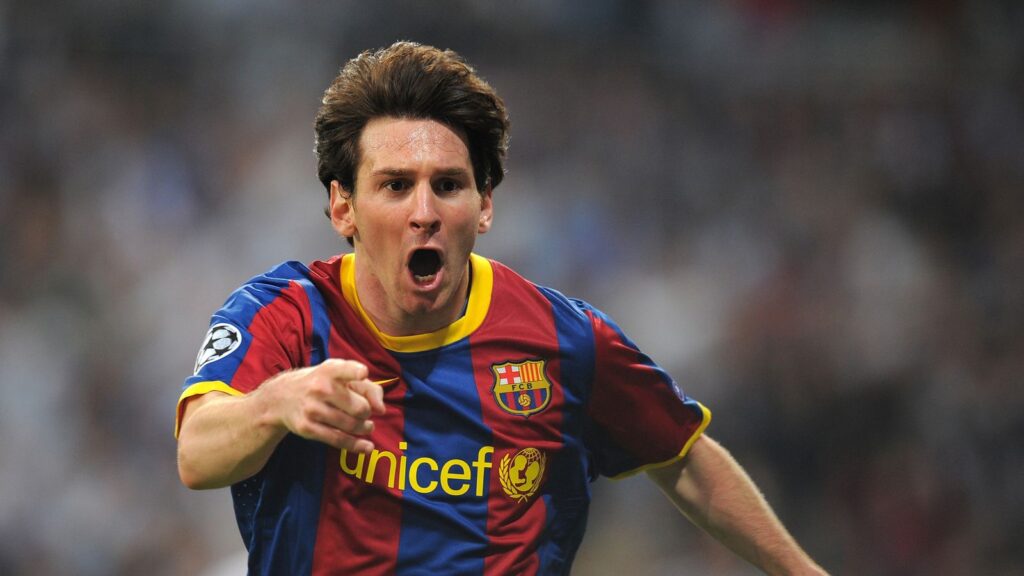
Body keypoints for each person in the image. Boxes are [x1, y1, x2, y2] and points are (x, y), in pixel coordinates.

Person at [176, 41, 827, 575]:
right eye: (395, 186)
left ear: (484, 205)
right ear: (342, 206)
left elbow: (685, 458)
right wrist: (276, 403)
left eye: (448, 185)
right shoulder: (286, 315)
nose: (424, 212)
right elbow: (197, 454)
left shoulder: (564, 340)